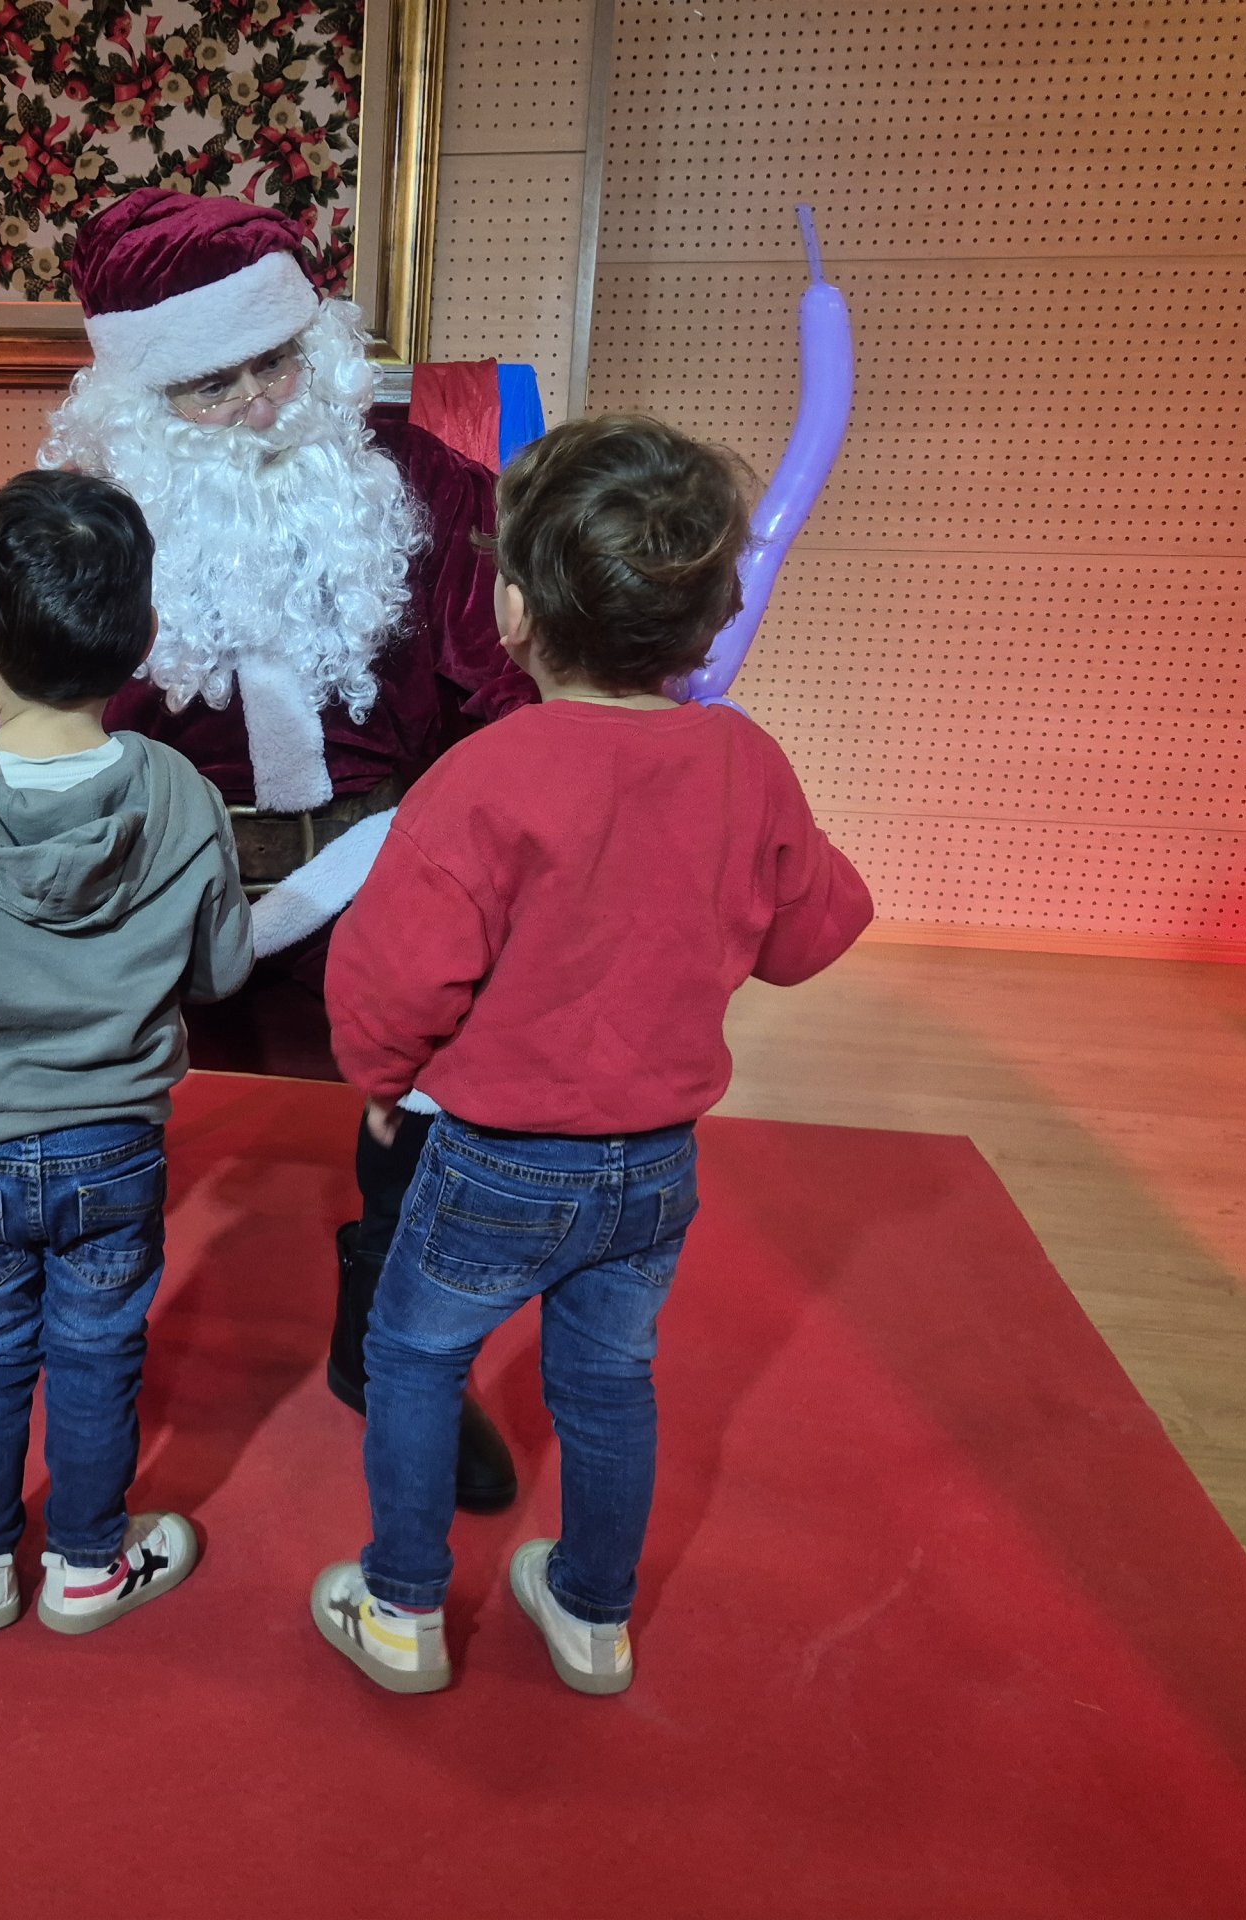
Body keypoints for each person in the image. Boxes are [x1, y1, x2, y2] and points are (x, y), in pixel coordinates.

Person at [0, 188, 529, 1515]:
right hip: (138, 873)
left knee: (478, 1033)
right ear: (142, 391)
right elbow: (8, 732)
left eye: (278, 360)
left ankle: (391, 1331)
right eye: (212, 384)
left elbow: (504, 716)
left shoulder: (426, 485)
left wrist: (460, 884)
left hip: (369, 867)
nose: (262, 403)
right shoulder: (76, 517)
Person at [307, 416, 874, 1695]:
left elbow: (393, 973)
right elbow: (810, 936)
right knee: (610, 1382)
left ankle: (402, 1610)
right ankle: (592, 1614)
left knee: (410, 1355)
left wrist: (384, 1079)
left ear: (511, 608)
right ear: (713, 615)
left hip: (497, 1161)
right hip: (654, 1168)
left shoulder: (482, 776)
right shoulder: (747, 763)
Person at [0, 470, 252, 1635]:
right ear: (145, 636)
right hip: (114, 1145)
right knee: (99, 1348)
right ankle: (85, 1564)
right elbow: (219, 974)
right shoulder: (184, 797)